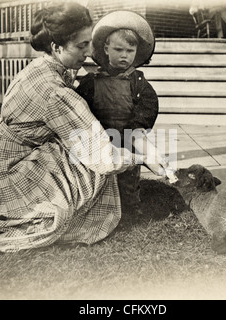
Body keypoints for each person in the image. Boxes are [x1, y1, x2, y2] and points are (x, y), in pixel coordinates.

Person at [0, 2, 167, 252]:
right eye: (82, 45)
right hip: (7, 167)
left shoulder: (42, 67)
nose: (90, 52)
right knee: (69, 195)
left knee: (72, 155)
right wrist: (144, 158)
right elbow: (101, 156)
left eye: (89, 43)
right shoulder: (53, 92)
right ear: (56, 46)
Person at [76, 11, 159, 215]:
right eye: (118, 49)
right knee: (99, 175)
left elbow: (149, 105)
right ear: (106, 48)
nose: (124, 55)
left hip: (128, 137)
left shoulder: (138, 83)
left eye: (130, 51)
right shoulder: (91, 81)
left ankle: (131, 209)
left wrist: (138, 126)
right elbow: (79, 106)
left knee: (128, 177)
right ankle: (100, 209)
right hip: (100, 136)